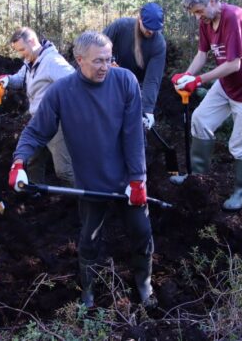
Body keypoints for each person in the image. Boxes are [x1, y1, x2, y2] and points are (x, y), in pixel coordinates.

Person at [8, 31, 156, 309]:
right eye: (98, 61)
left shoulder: (124, 81)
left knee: (142, 232)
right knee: (89, 240)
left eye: (109, 59)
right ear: (79, 60)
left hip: (127, 181)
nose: (105, 66)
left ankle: (144, 284)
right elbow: (35, 132)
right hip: (90, 182)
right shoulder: (62, 93)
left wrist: (137, 179)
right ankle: (88, 291)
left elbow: (134, 134)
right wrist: (19, 162)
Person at [171, 0, 242, 211]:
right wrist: (186, 76)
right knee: (200, 119)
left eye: (199, 11)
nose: (198, 17)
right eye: (194, 13)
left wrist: (199, 80)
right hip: (227, 86)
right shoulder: (206, 22)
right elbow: (201, 54)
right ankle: (197, 178)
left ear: (212, 1)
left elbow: (234, 64)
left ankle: (240, 191)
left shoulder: (234, 18)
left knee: (240, 145)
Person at [0, 27, 74, 186]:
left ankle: (89, 199)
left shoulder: (52, 61)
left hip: (56, 122)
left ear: (32, 41)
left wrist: (62, 108)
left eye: (22, 49)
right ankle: (33, 194)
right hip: (38, 120)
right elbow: (20, 78)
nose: (21, 54)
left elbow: (74, 82)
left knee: (64, 170)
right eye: (18, 51)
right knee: (32, 160)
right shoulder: (30, 61)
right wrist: (8, 80)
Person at [103, 2, 166, 130]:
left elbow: (152, 79)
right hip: (109, 77)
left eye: (154, 29)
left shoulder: (159, 44)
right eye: (147, 27)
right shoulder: (121, 26)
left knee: (135, 122)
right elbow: (97, 46)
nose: (150, 31)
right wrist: (110, 61)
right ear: (140, 18)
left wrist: (147, 109)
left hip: (136, 85)